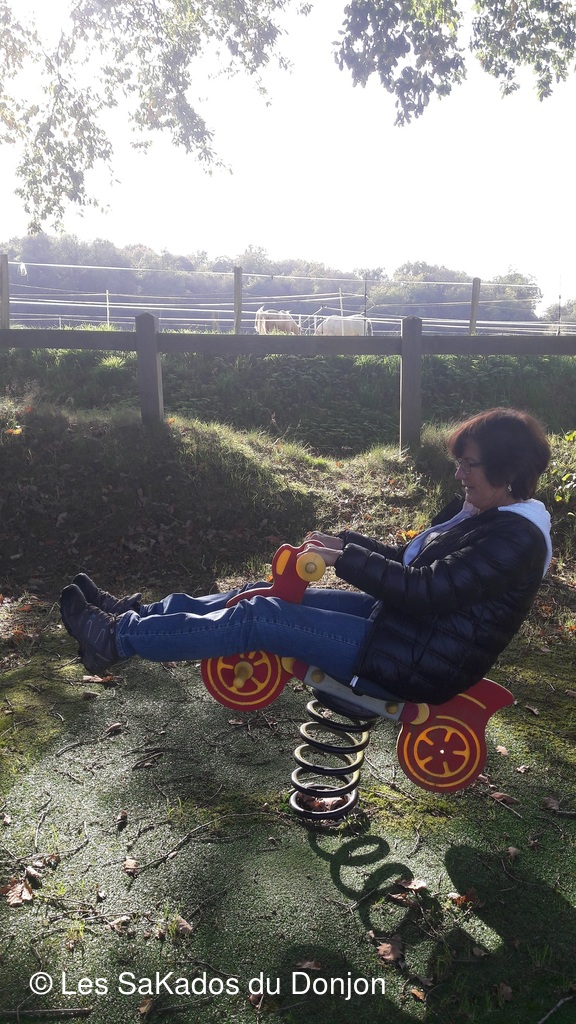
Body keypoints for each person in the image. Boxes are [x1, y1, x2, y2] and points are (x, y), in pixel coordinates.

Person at [60, 408, 552, 705]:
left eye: (470, 465)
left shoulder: (516, 539)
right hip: (400, 628)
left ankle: (116, 639)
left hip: (416, 661)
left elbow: (426, 591)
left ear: (507, 470)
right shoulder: (479, 512)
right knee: (259, 592)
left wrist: (344, 560)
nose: (460, 474)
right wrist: (342, 544)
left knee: (260, 616)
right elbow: (410, 561)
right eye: (459, 463)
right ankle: (137, 615)